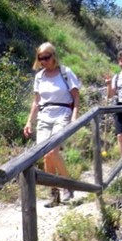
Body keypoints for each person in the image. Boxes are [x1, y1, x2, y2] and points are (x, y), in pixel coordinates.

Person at [23, 42, 81, 207]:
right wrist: (29, 122)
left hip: (62, 114)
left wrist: (74, 116)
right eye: (40, 58)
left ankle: (67, 185)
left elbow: (76, 96)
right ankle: (54, 194)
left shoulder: (65, 73)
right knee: (45, 154)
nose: (43, 61)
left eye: (46, 57)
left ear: (53, 56)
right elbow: (36, 102)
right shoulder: (39, 76)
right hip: (44, 116)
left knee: (53, 151)